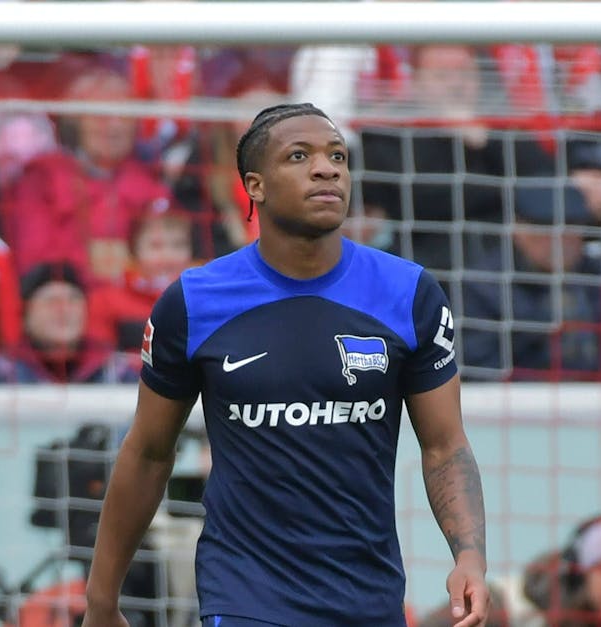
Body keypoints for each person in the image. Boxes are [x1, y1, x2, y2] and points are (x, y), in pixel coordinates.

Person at [79, 103, 490, 627]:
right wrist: (102, 600)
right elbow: (147, 453)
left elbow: (445, 446)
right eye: (299, 156)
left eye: (337, 156)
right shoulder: (195, 302)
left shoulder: (409, 294)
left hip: (369, 599)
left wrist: (469, 556)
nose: (326, 169)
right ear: (255, 185)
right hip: (245, 597)